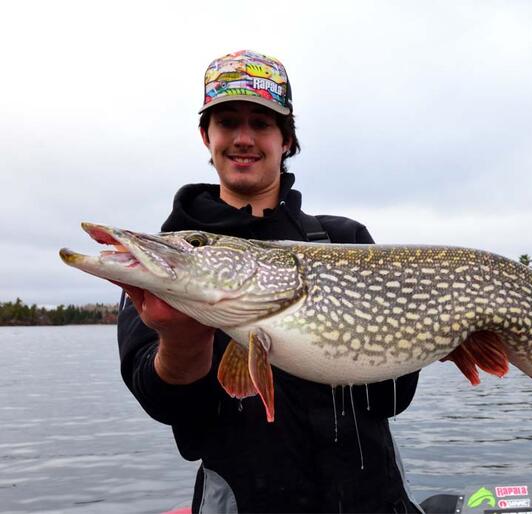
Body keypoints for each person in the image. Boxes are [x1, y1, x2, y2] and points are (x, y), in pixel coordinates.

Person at [117, 49, 423, 513]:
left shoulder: (347, 241)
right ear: (206, 136)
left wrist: (436, 336)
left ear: (286, 139)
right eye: (226, 122)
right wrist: (181, 339)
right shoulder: (172, 260)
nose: (243, 138)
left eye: (261, 123)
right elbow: (173, 412)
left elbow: (392, 397)